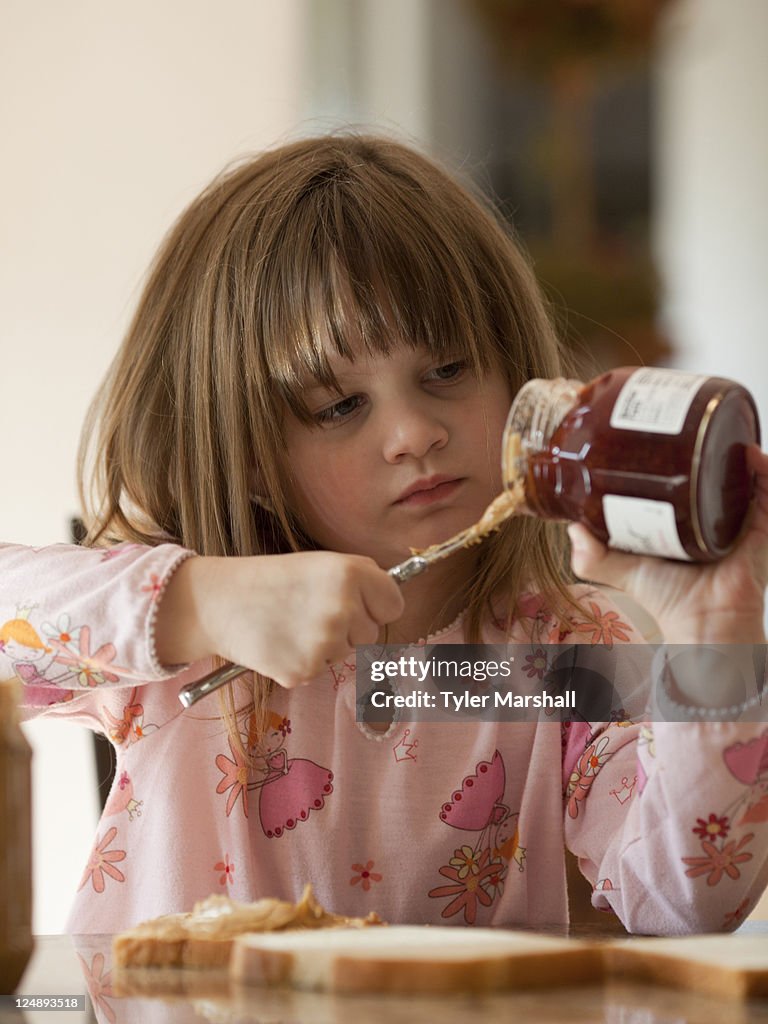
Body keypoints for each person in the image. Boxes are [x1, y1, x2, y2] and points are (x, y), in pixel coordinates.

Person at [2, 134, 767, 937]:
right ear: (250, 453)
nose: (413, 432)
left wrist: (716, 635)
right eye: (339, 406)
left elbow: (689, 899)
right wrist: (195, 601)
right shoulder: (182, 636)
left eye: (446, 371)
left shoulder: (561, 654)